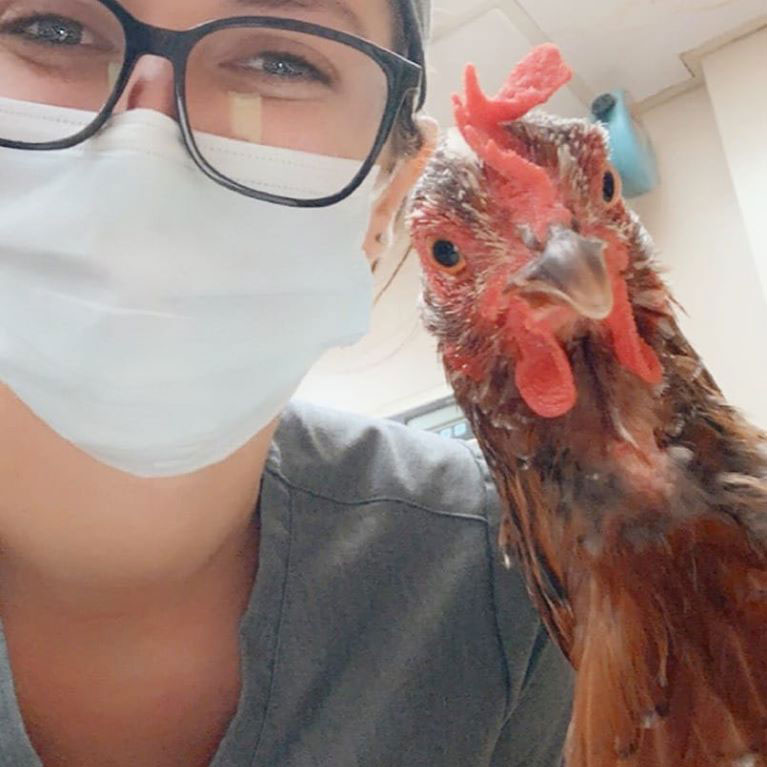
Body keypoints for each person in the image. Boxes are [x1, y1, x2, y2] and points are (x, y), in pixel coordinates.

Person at [0, 0, 573, 765]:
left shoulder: (511, 570)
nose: (146, 142)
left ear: (384, 201)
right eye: (50, 29)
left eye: (281, 62)